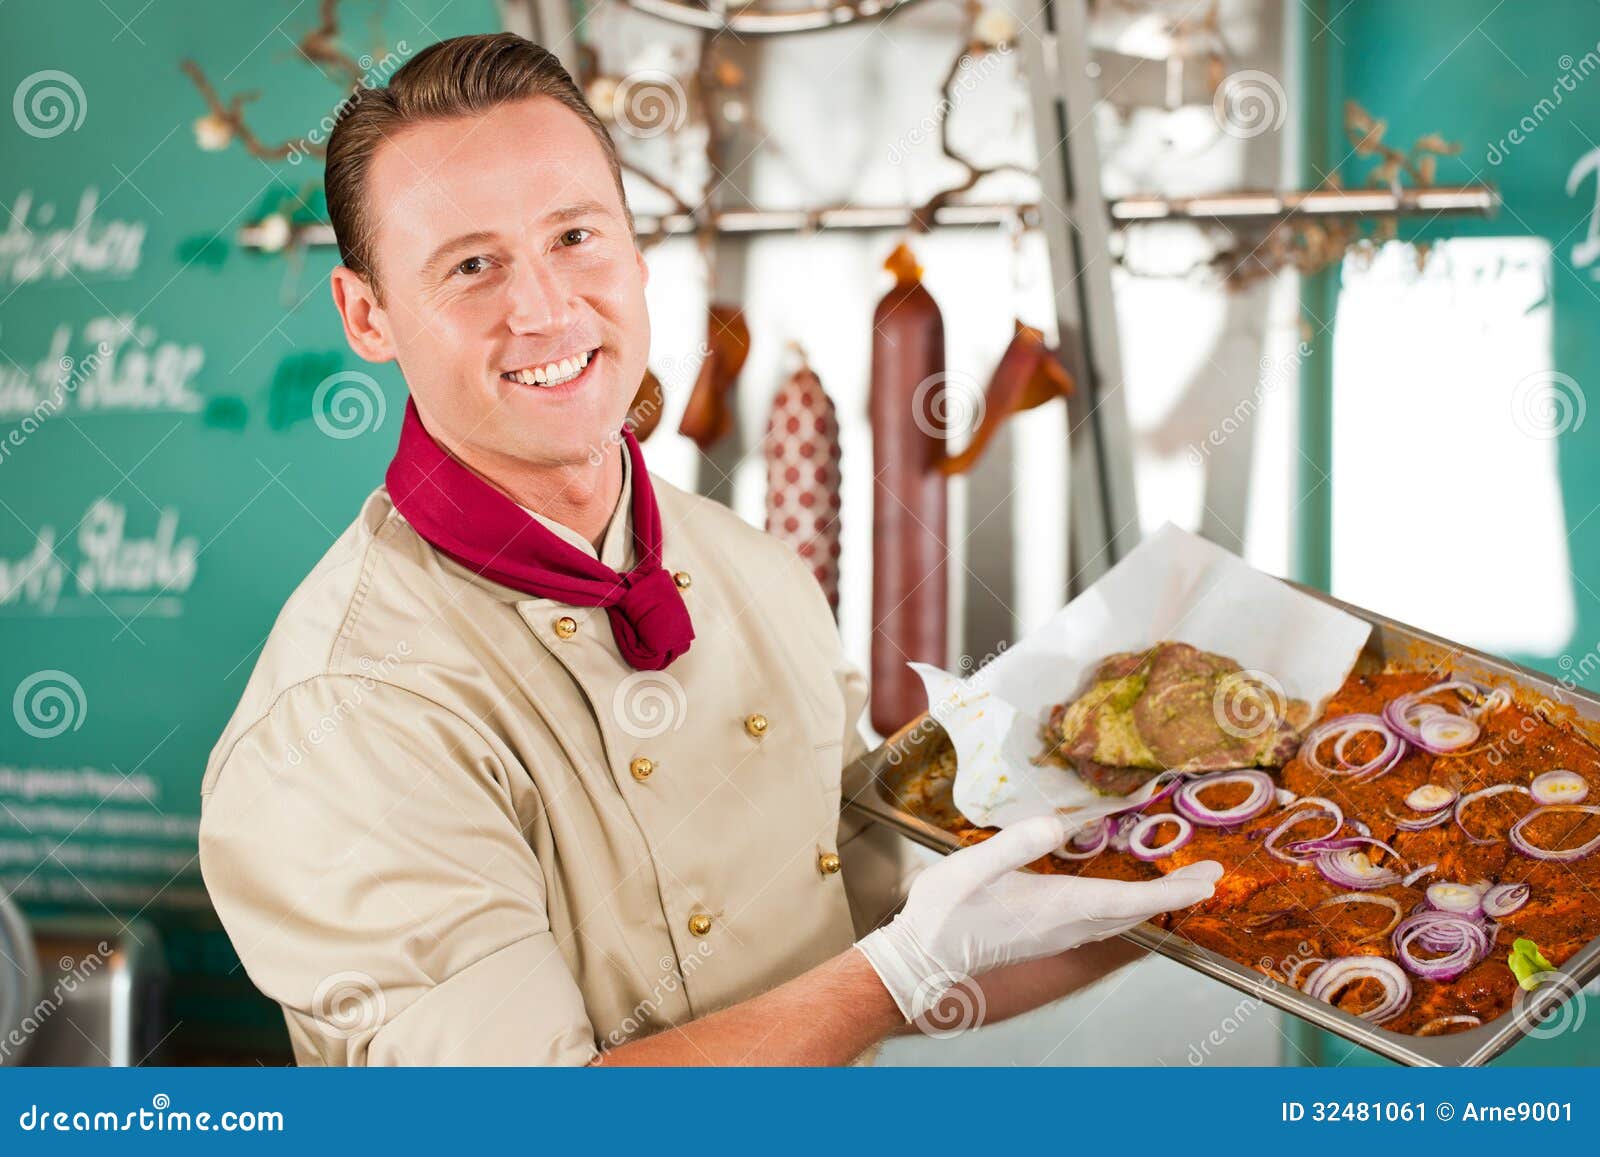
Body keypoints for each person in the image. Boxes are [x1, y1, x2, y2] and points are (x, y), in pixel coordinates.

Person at [197, 32, 1221, 1066]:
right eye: (472, 265)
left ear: (638, 257)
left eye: (575, 237)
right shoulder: (350, 711)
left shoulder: (753, 570)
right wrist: (898, 972)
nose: (546, 308)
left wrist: (1186, 899)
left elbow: (892, 939)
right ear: (367, 314)